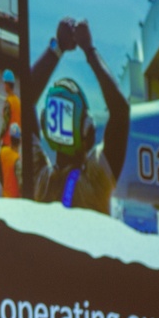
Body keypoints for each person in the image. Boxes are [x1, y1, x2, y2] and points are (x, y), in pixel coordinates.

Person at [29, 17, 130, 213]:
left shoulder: (40, 182)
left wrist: (57, 48)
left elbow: (26, 96)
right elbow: (120, 111)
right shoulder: (95, 184)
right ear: (87, 128)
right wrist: (89, 49)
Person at [0, 122, 22, 197]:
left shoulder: (3, 151)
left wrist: (4, 184)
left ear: (10, 138)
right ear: (20, 141)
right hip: (14, 198)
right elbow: (21, 183)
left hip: (5, 194)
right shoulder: (17, 159)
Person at [0, 69, 21, 146]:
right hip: (15, 141)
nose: (4, 86)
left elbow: (6, 123)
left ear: (7, 84)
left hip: (7, 141)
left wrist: (0, 137)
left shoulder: (9, 102)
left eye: (4, 84)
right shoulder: (17, 101)